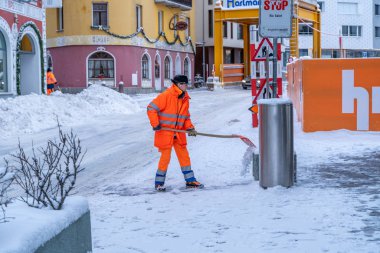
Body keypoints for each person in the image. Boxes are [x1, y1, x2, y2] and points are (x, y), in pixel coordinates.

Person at [147, 75, 203, 192]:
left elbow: (185, 116)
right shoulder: (167, 95)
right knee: (165, 158)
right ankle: (159, 183)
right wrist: (155, 124)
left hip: (178, 133)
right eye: (183, 84)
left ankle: (190, 180)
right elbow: (151, 108)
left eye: (186, 84)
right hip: (165, 133)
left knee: (184, 156)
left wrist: (190, 128)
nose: (185, 86)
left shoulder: (185, 98)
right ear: (177, 84)